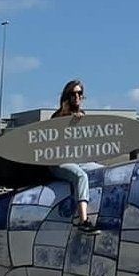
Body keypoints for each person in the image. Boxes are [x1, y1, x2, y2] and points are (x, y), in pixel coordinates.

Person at [50, 80, 100, 234]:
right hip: (59, 161)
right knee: (81, 176)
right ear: (67, 96)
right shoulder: (57, 116)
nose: (77, 96)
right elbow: (51, 137)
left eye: (79, 93)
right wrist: (63, 115)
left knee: (105, 171)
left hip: (78, 160)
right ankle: (83, 220)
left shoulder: (83, 116)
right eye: (73, 93)